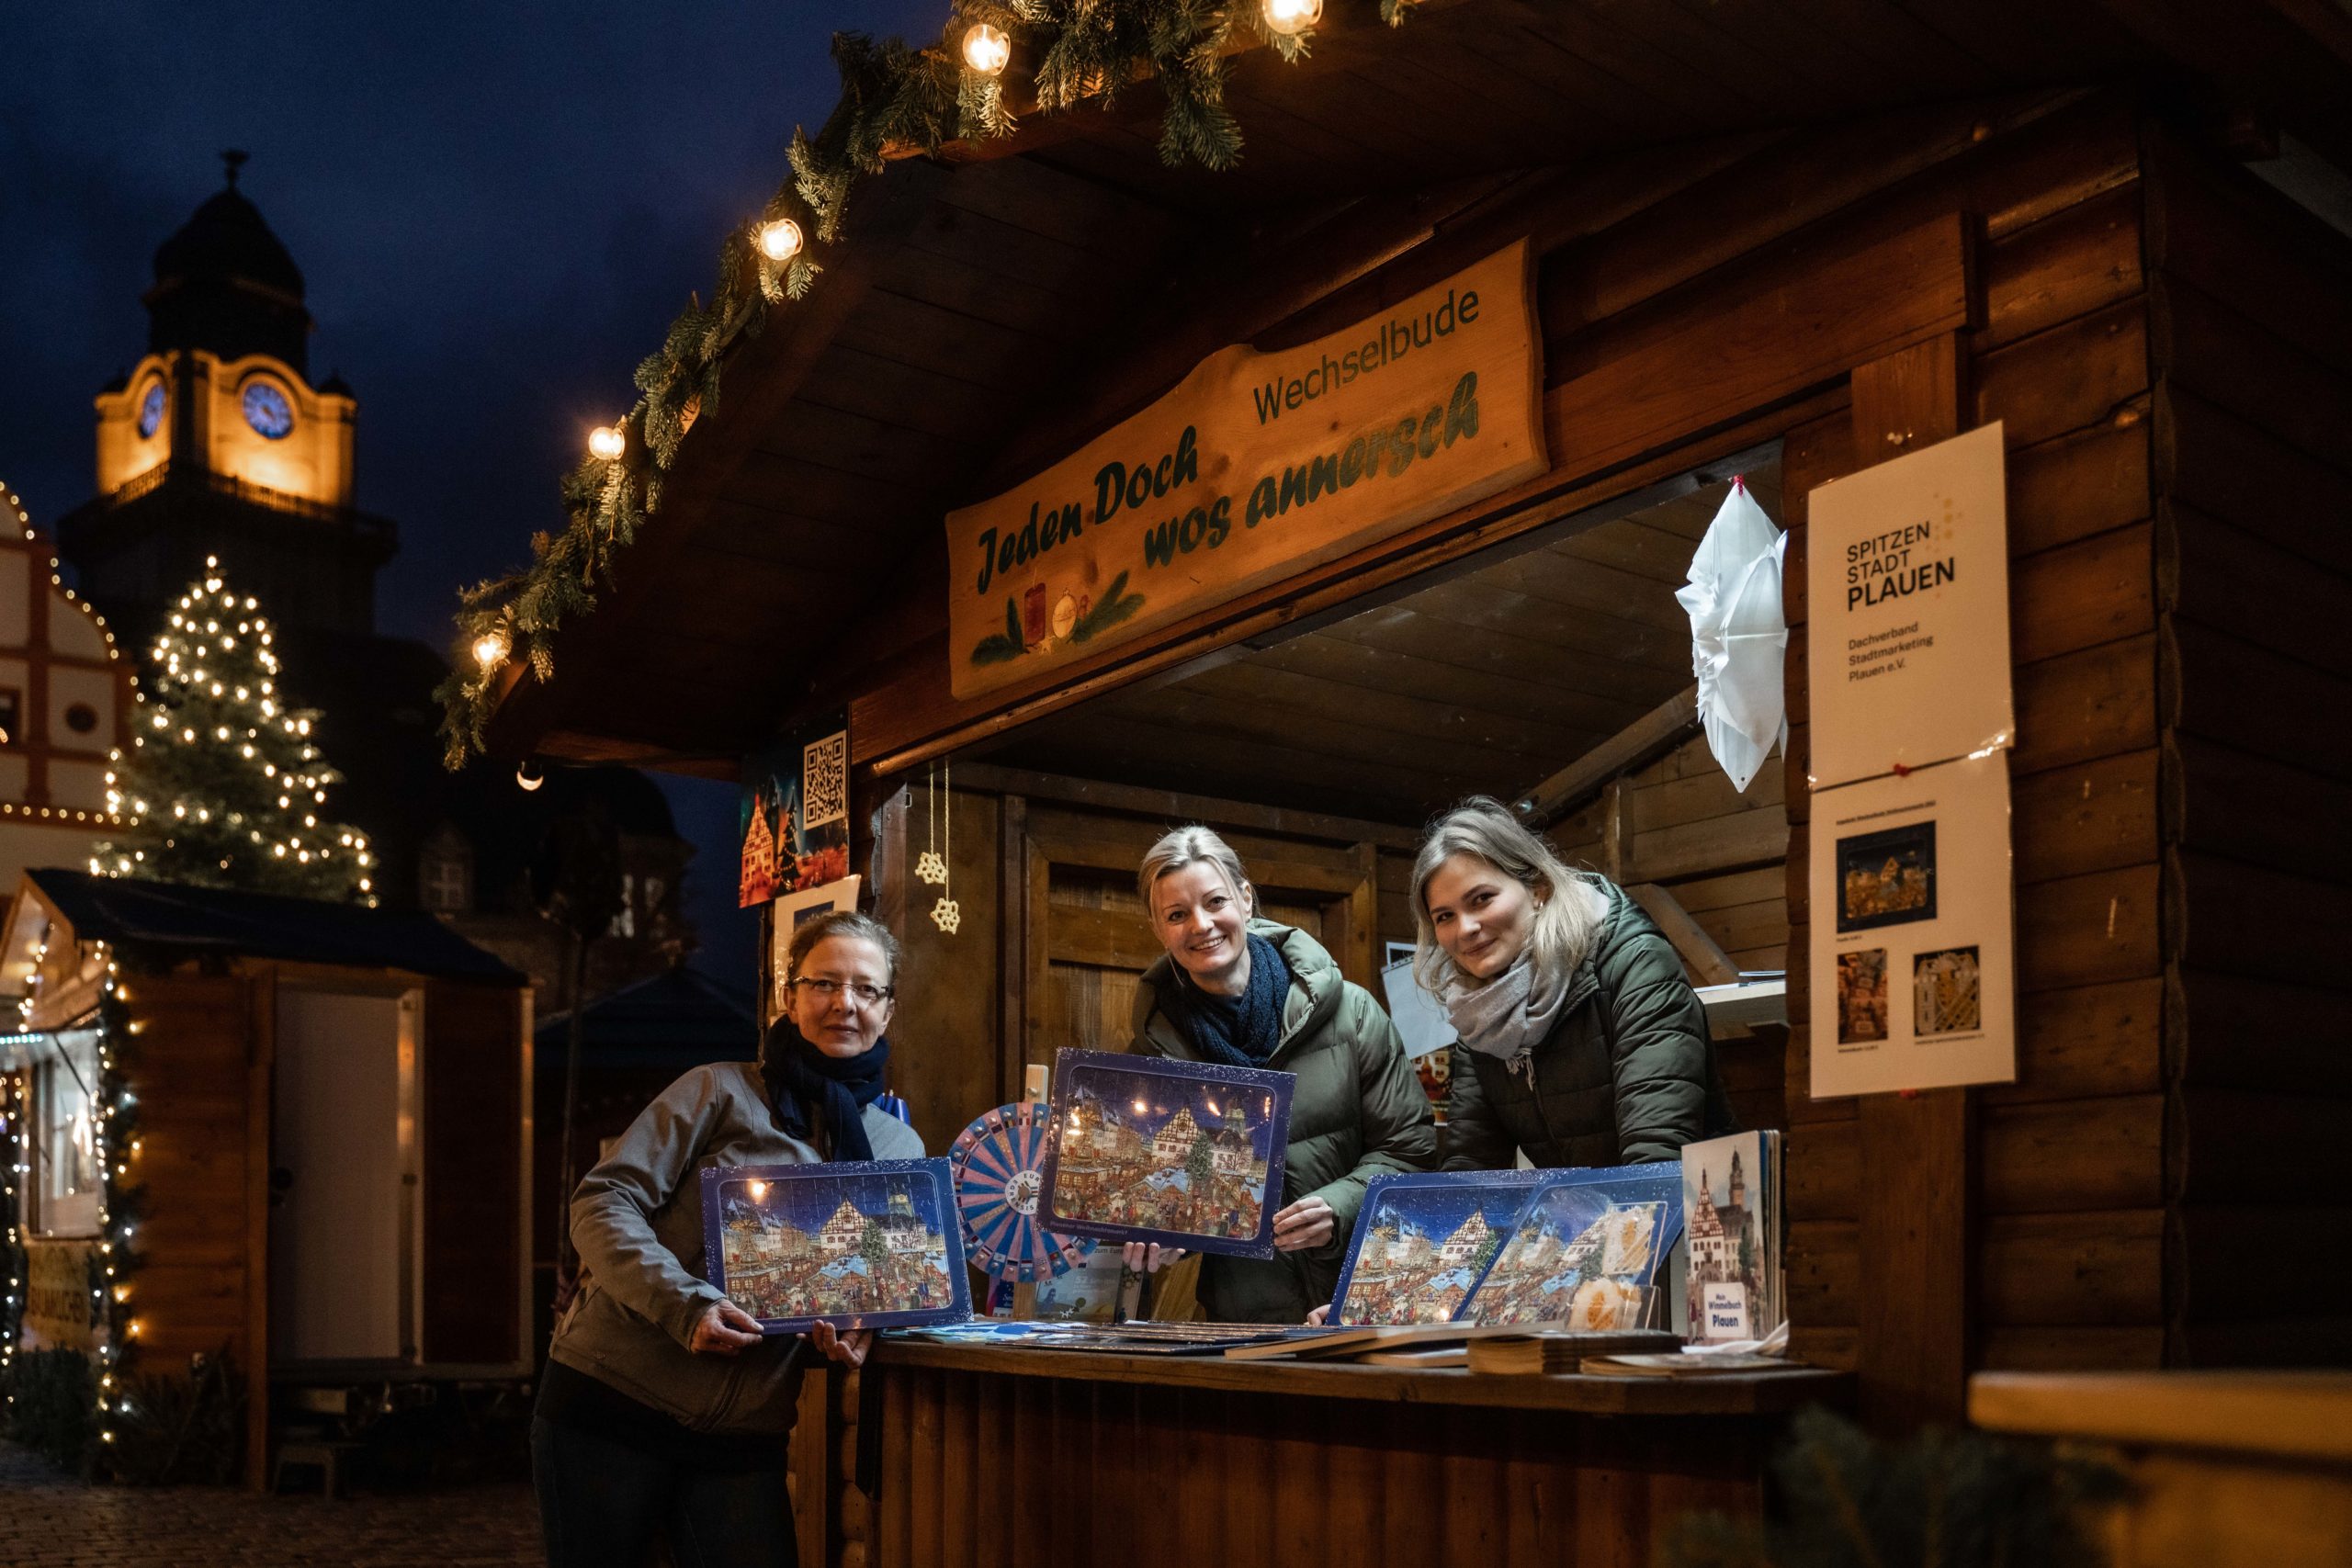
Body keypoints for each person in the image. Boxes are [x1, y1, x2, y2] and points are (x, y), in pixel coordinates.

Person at [532, 909, 922, 1568]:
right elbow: (600, 1202)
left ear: (888, 1009)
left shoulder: (897, 1147)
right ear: (788, 994)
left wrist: (864, 1325)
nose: (845, 1004)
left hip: (744, 1437)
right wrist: (686, 1305)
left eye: (866, 989)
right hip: (610, 1404)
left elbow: (881, 1275)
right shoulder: (719, 1089)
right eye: (825, 983)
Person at [1126, 825, 1435, 1322]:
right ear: (1159, 929)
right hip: (1241, 1323)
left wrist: (1340, 1205)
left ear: (1246, 900)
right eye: (1177, 915)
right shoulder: (1152, 1052)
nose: (1201, 925)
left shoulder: (1351, 1014)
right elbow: (1163, 1187)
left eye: (1215, 901)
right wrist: (1161, 1237)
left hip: (1356, 1310)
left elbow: (1412, 1150)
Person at [1415, 796, 1735, 1171]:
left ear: (1538, 888)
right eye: (1445, 916)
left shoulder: (1634, 961)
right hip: (1586, 1217)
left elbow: (1656, 1152)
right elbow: (1472, 1166)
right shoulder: (1480, 1013)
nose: (1466, 928)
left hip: (1694, 1211)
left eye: (1482, 898)